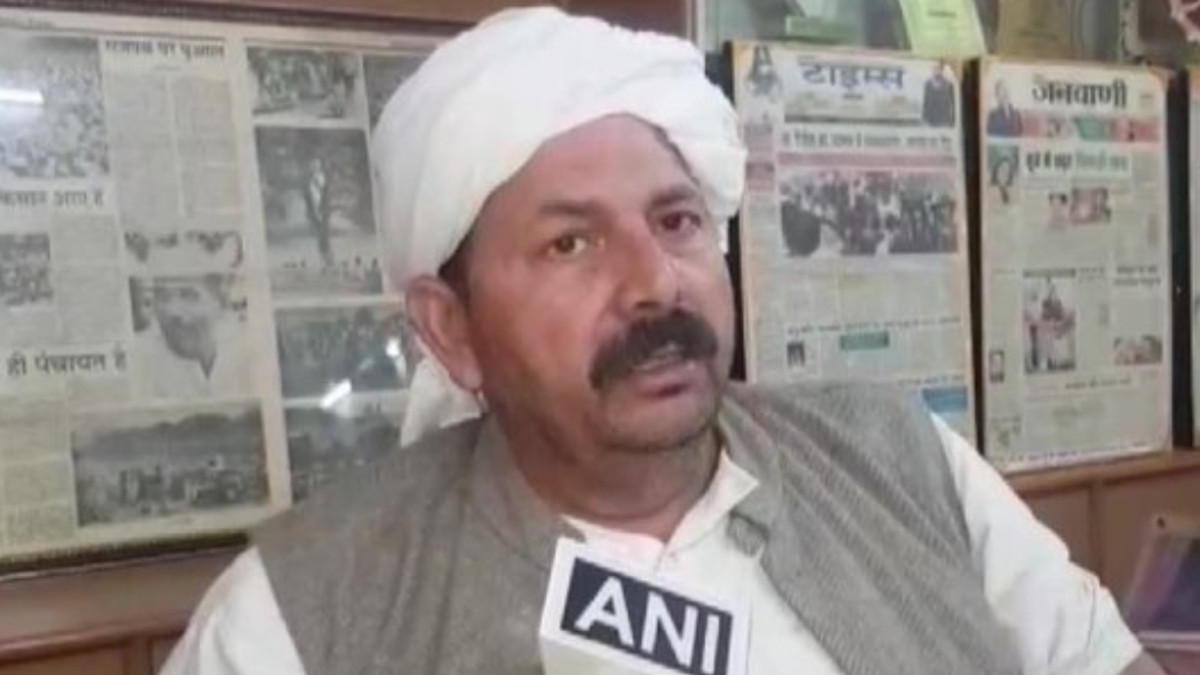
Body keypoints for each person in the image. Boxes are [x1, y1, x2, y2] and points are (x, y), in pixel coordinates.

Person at [161, 8, 1165, 675]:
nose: (655, 282)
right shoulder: (301, 614)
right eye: (570, 243)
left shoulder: (900, 460)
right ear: (451, 328)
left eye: (677, 221)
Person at [133, 275, 250, 400]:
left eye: (189, 296)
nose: (173, 311)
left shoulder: (248, 347)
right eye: (164, 297)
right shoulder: (138, 357)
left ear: (219, 300)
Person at [921, 62, 955, 128]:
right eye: (934, 69)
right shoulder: (928, 84)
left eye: (938, 69)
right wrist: (925, 116)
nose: (936, 71)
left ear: (941, 70)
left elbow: (951, 102)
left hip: (944, 118)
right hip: (932, 118)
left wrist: (951, 118)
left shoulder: (948, 84)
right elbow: (926, 101)